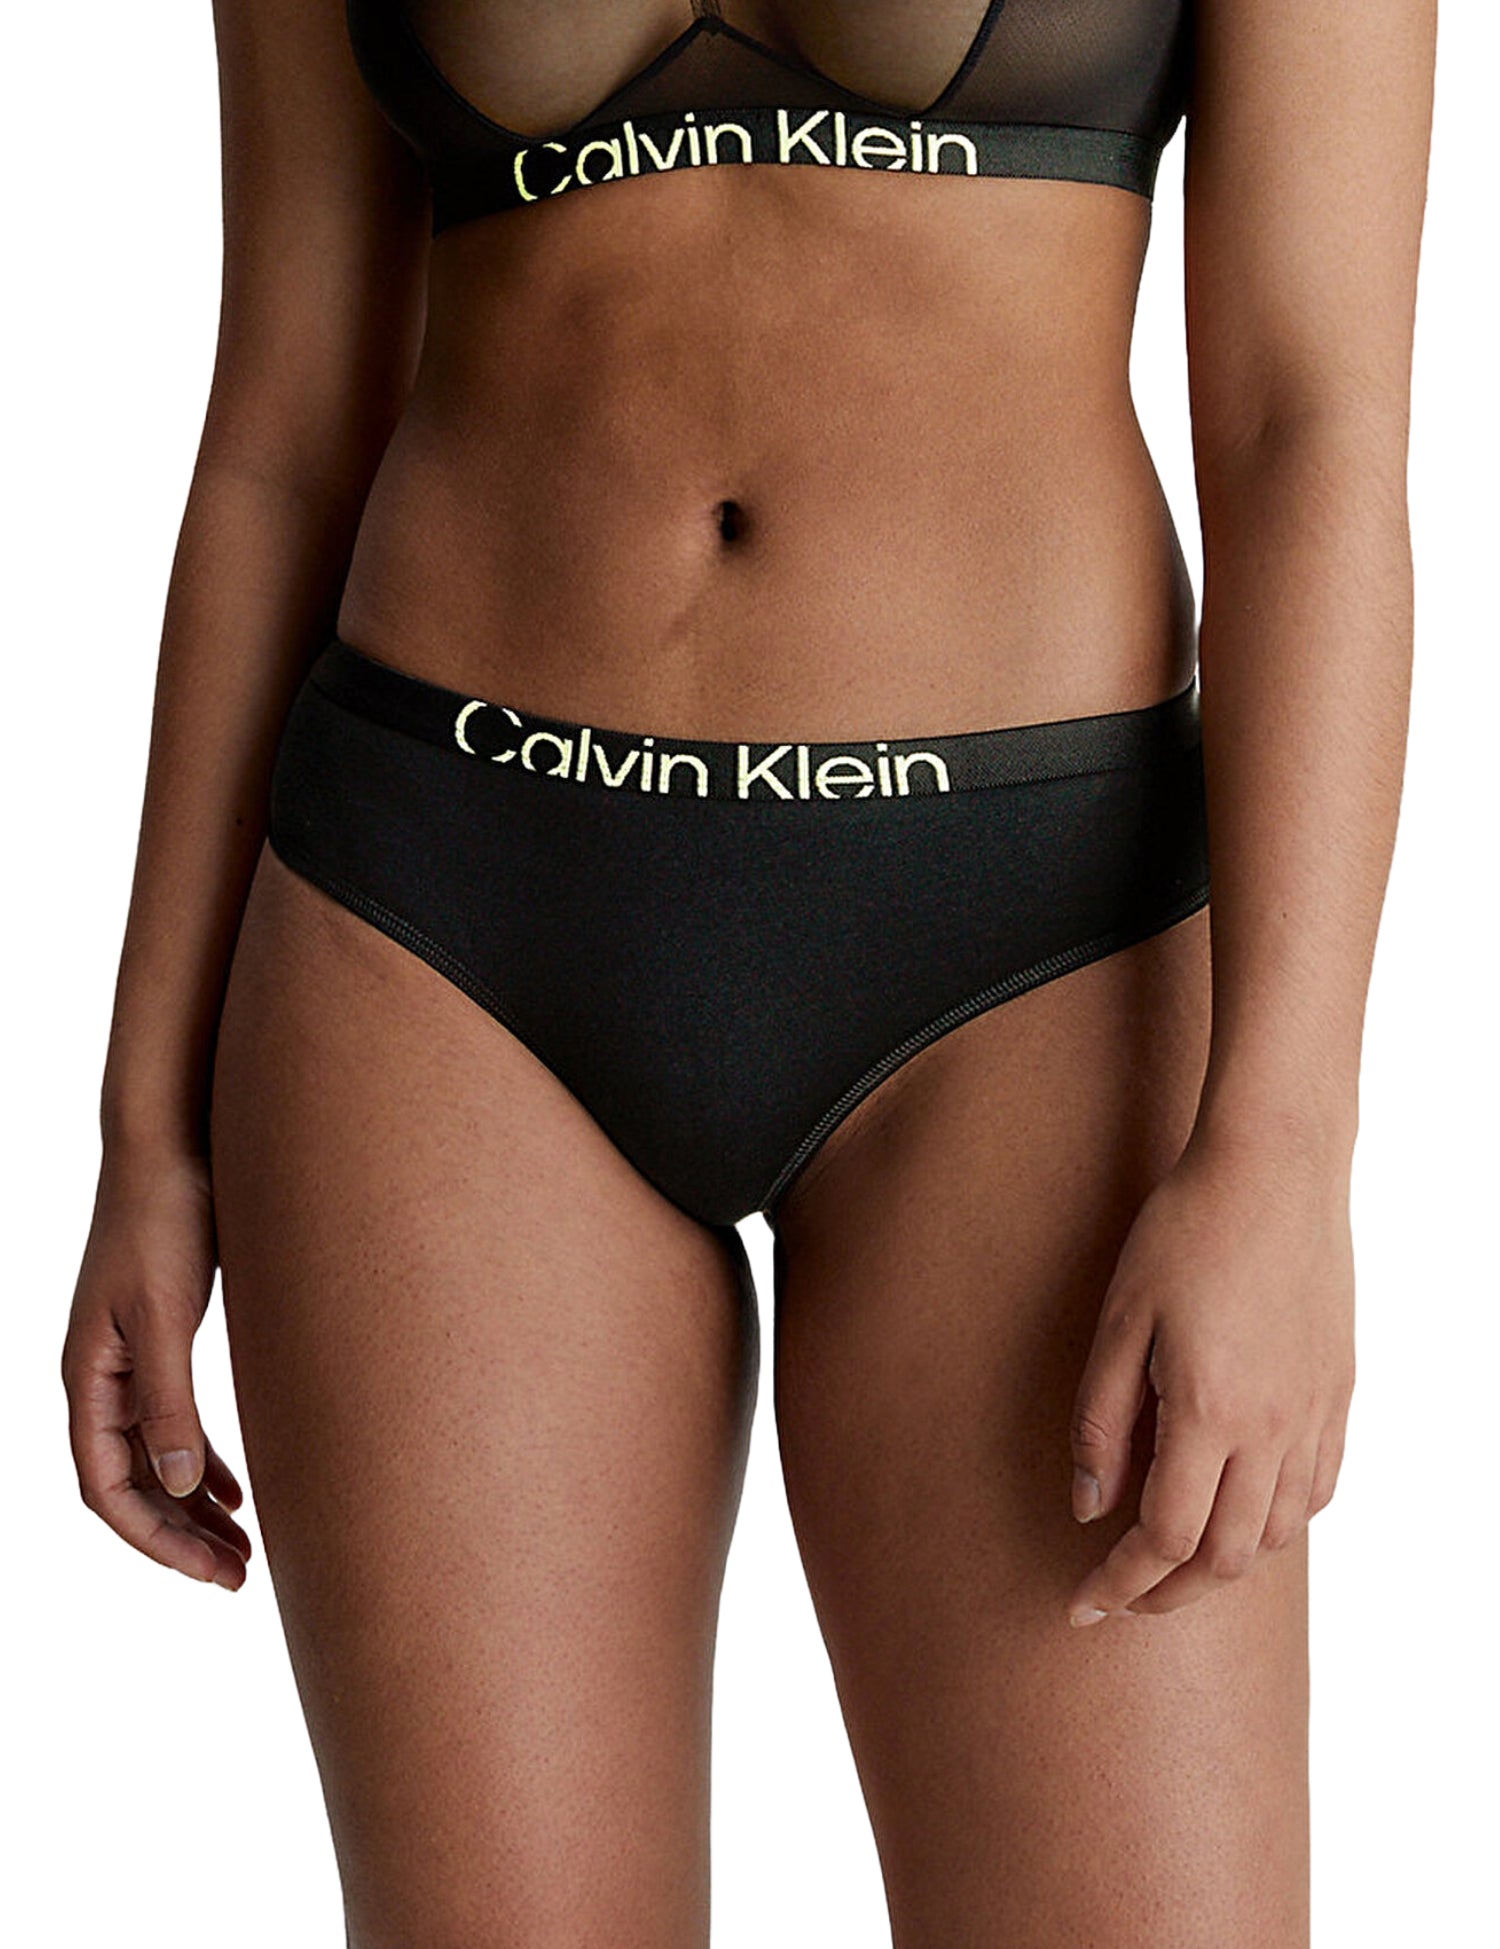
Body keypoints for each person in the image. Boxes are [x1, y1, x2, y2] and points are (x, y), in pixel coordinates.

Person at [60, 1, 1436, 1941]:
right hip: (440, 922)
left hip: (1035, 947)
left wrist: (1284, 1143)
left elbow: (1313, 422)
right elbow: (282, 434)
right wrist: (146, 1125)